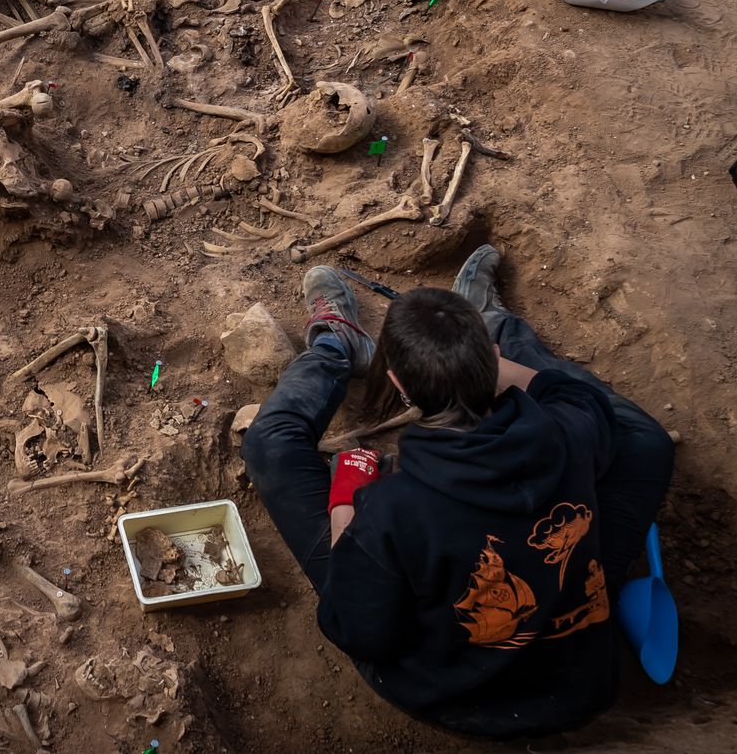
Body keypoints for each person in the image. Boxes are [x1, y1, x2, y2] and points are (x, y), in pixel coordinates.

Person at [241, 248, 676, 739]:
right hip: (579, 678)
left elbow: (358, 631)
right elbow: (566, 392)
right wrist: (480, 360)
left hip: (459, 699)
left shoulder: (390, 511)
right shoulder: (572, 431)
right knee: (646, 443)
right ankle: (497, 323)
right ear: (493, 362)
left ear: (398, 386)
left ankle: (334, 347)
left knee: (269, 442)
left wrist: (346, 502)